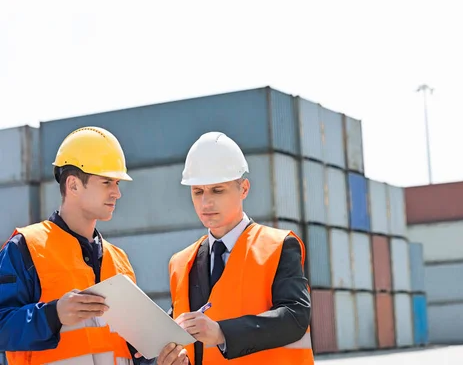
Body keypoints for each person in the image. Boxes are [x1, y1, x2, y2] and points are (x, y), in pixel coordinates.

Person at [157, 131, 314, 365]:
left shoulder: (278, 246)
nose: (205, 202)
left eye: (217, 190)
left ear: (244, 189)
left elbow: (296, 317)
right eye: (197, 192)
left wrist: (221, 333)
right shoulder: (180, 263)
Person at [0, 126, 150, 365]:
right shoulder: (26, 248)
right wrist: (54, 314)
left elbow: (130, 350)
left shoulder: (119, 260)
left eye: (117, 183)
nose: (117, 193)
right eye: (107, 182)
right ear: (73, 185)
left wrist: (160, 357)